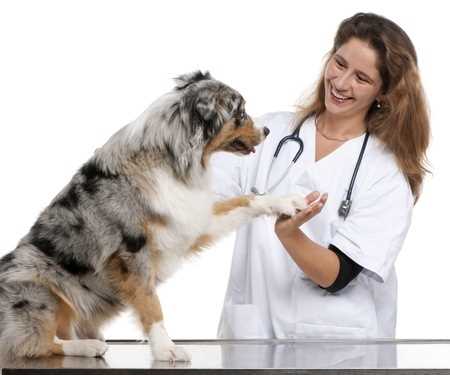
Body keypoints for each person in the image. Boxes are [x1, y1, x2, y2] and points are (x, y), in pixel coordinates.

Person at [211, 12, 430, 339]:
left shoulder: (384, 173)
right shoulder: (269, 133)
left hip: (338, 350)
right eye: (340, 64)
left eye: (362, 78)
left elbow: (338, 275)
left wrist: (290, 235)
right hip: (252, 337)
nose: (341, 84)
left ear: (383, 93)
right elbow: (196, 189)